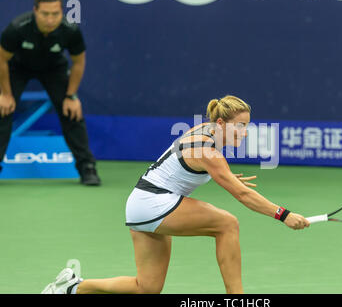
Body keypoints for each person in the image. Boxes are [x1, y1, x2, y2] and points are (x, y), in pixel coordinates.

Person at [41, 95, 310, 294]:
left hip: (141, 203)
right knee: (227, 224)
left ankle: (72, 287)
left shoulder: (205, 135)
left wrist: (225, 177)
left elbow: (187, 169)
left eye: (247, 126)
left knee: (146, 288)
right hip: (154, 202)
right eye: (239, 125)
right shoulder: (209, 152)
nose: (244, 131)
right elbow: (242, 196)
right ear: (220, 123)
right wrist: (283, 214)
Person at [0, 0, 100, 185]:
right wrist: (5, 94)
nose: (50, 19)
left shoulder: (69, 30)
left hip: (54, 69)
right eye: (45, 14)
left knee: (72, 112)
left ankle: (87, 167)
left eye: (55, 14)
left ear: (61, 11)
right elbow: (1, 59)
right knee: (2, 110)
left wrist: (71, 95)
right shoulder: (17, 28)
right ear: (35, 10)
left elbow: (78, 63)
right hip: (17, 68)